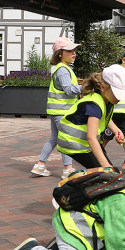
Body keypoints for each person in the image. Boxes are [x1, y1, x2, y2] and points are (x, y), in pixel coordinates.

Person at [55, 65, 125, 169]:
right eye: (117, 93)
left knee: (107, 172)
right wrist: (105, 167)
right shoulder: (94, 104)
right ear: (103, 87)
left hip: (82, 143)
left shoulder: (106, 99)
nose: (120, 98)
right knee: (105, 172)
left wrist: (116, 130)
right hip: (75, 144)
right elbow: (91, 138)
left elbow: (104, 117)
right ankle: (74, 182)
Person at [32, 37, 81, 179]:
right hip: (63, 111)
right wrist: (86, 87)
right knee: (65, 139)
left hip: (56, 111)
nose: (74, 53)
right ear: (60, 53)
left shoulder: (61, 69)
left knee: (54, 138)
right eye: (69, 51)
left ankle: (40, 165)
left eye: (74, 51)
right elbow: (69, 89)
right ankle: (68, 169)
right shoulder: (63, 70)